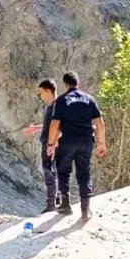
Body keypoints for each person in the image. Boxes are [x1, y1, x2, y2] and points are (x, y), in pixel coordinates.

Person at [47, 71, 107, 220]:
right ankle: (85, 211)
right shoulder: (89, 99)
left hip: (68, 139)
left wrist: (51, 144)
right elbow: (99, 124)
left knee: (63, 171)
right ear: (78, 83)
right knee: (84, 173)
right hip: (86, 140)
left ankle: (65, 205)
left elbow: (54, 125)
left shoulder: (61, 100)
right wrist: (101, 144)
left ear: (65, 85)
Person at [24, 78, 60, 212]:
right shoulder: (53, 107)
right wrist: (36, 128)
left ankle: (52, 205)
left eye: (41, 93)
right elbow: (50, 125)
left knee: (50, 173)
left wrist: (53, 144)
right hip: (49, 143)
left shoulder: (56, 107)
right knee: (52, 172)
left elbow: (59, 126)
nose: (41, 96)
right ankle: (56, 202)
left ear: (48, 91)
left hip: (51, 144)